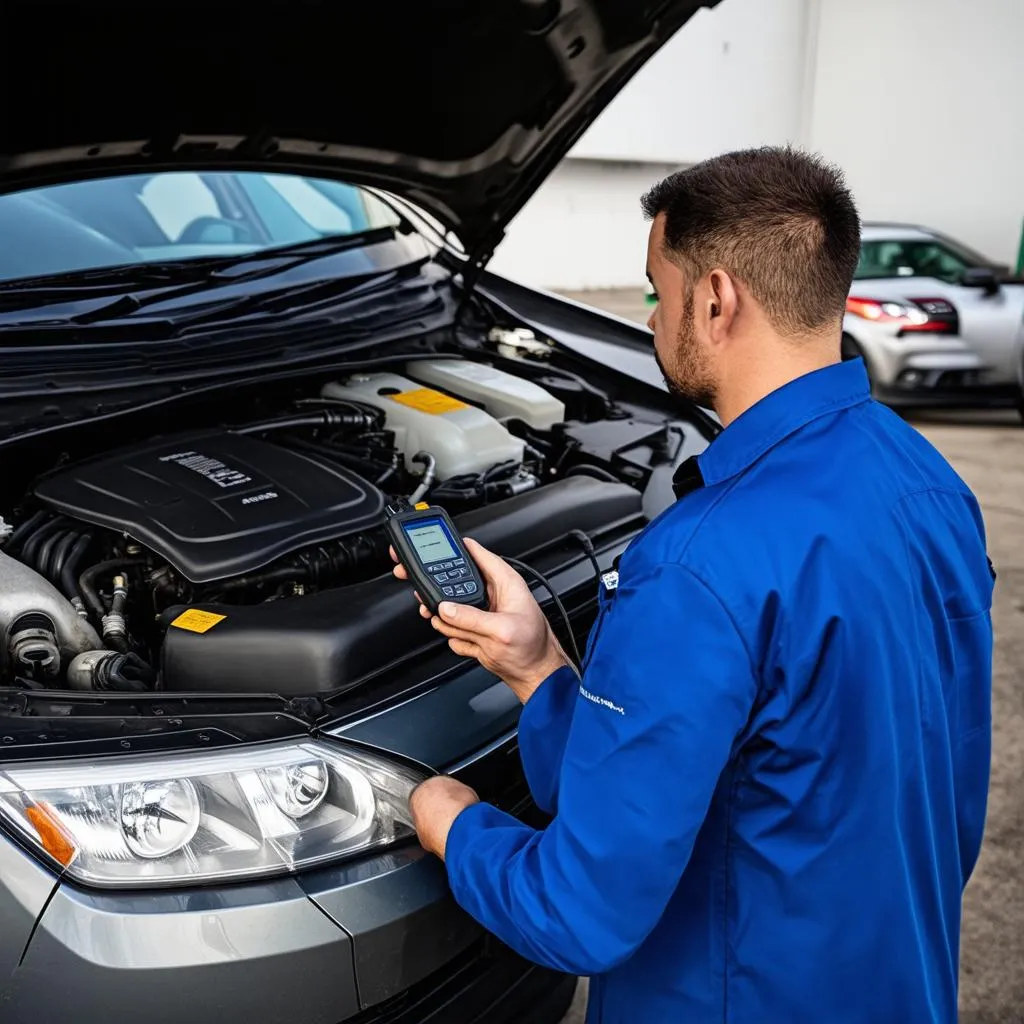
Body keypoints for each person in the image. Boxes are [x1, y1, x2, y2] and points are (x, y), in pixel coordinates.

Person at [395, 147, 994, 1023]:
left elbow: (580, 913)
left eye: (656, 290)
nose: (651, 318)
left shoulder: (695, 566)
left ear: (715, 300)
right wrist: (540, 670)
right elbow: (794, 778)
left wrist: (450, 822)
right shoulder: (931, 486)